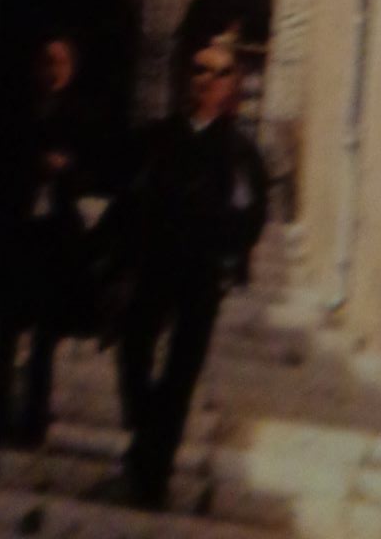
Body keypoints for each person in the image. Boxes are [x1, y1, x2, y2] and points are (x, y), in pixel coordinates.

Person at [101, 35, 267, 508]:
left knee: (180, 374)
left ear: (232, 85)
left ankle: (154, 473)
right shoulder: (156, 139)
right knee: (133, 354)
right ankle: (145, 433)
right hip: (151, 265)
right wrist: (112, 256)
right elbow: (127, 199)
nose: (207, 80)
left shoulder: (239, 153)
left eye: (220, 72)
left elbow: (250, 215)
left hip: (200, 274)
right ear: (186, 77)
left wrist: (226, 255)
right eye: (199, 69)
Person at [0, 33, 97, 448]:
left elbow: (94, 169)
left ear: (72, 70)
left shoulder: (79, 116)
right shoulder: (14, 114)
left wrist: (68, 168)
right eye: (47, 61)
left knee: (45, 334)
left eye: (61, 63)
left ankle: (34, 422)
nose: (52, 71)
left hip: (53, 239)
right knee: (6, 330)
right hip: (15, 233)